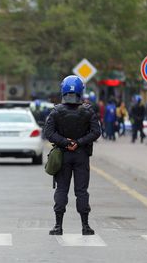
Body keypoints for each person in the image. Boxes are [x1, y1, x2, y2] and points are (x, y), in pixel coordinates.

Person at [44, 75, 101, 236]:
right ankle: (85, 226)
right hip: (81, 155)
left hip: (62, 155)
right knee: (81, 191)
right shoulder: (88, 111)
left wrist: (65, 142)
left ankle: (58, 226)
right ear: (81, 91)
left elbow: (49, 133)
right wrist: (79, 142)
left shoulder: (56, 111)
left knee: (62, 190)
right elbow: (96, 132)